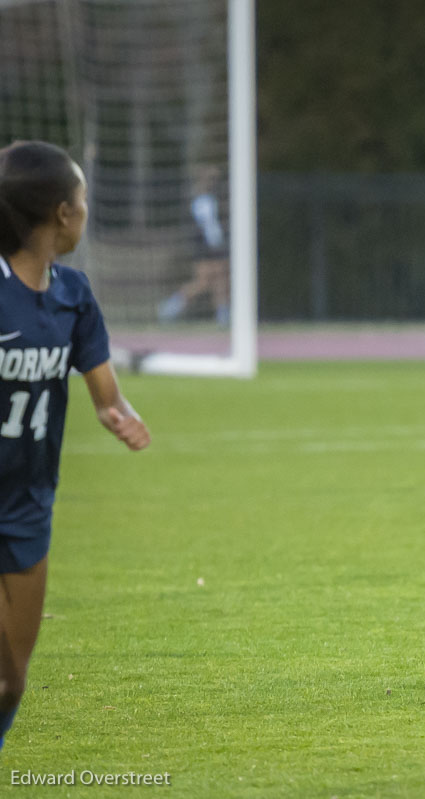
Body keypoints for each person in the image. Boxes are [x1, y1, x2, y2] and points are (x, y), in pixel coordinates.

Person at [0, 141, 151, 750]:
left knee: (11, 683)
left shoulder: (74, 295)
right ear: (63, 214)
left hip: (30, 501)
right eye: (83, 198)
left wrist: (120, 414)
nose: (86, 210)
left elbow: (105, 392)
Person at [157, 164, 230, 326]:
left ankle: (223, 314)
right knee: (204, 281)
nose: (215, 183)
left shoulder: (209, 199)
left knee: (220, 279)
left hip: (211, 245)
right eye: (212, 179)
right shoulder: (201, 201)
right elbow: (208, 227)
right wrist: (215, 243)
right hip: (206, 247)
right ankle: (171, 306)